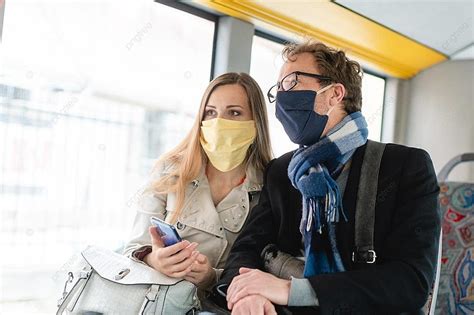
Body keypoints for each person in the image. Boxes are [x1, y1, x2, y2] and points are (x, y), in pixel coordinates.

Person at [213, 41, 441, 314]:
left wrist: (291, 291)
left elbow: (410, 282)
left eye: (291, 83)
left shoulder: (404, 166)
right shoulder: (281, 171)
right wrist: (246, 295)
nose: (282, 98)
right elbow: (246, 250)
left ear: (334, 94)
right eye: (278, 90)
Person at [123, 72, 272, 299]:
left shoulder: (270, 187)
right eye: (211, 113)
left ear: (255, 122)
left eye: (234, 113)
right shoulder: (169, 171)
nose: (219, 123)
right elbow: (132, 250)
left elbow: (266, 272)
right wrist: (154, 259)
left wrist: (210, 278)